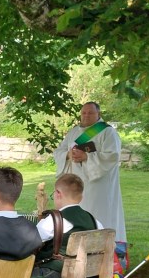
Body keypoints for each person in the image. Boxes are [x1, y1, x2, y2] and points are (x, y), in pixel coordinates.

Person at [53, 102, 126, 253]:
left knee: (99, 214)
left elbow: (112, 156)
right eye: (84, 113)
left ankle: (102, 250)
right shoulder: (74, 132)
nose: (86, 116)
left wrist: (86, 156)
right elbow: (59, 150)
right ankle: (77, 247)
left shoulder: (107, 132)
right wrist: (68, 154)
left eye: (90, 113)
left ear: (98, 114)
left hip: (98, 184)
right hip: (76, 182)